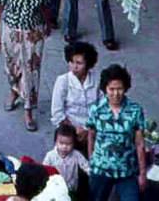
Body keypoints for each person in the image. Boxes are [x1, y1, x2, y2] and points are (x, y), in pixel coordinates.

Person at [0, 0, 51, 131]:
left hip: (33, 33)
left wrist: (47, 25)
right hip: (11, 32)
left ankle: (28, 110)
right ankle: (14, 91)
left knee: (30, 70)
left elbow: (44, 7)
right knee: (12, 67)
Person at [87, 64, 146, 201]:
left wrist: (142, 173)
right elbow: (91, 136)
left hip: (127, 170)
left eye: (119, 89)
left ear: (125, 88)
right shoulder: (96, 109)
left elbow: (139, 144)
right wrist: (92, 161)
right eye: (111, 89)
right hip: (101, 169)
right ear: (105, 89)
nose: (115, 93)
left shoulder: (135, 110)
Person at [51, 41, 100, 151]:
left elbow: (103, 109)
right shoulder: (63, 81)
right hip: (69, 131)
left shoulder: (98, 80)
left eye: (79, 63)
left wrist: (87, 130)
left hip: (93, 129)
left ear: (88, 64)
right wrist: (74, 130)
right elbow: (57, 112)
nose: (74, 67)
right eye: (71, 62)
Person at [43, 122, 90, 195]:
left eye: (68, 144)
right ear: (55, 142)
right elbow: (44, 169)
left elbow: (86, 166)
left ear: (74, 143)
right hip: (54, 187)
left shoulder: (76, 155)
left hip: (71, 187)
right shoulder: (50, 155)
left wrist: (91, 173)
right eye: (61, 143)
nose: (64, 146)